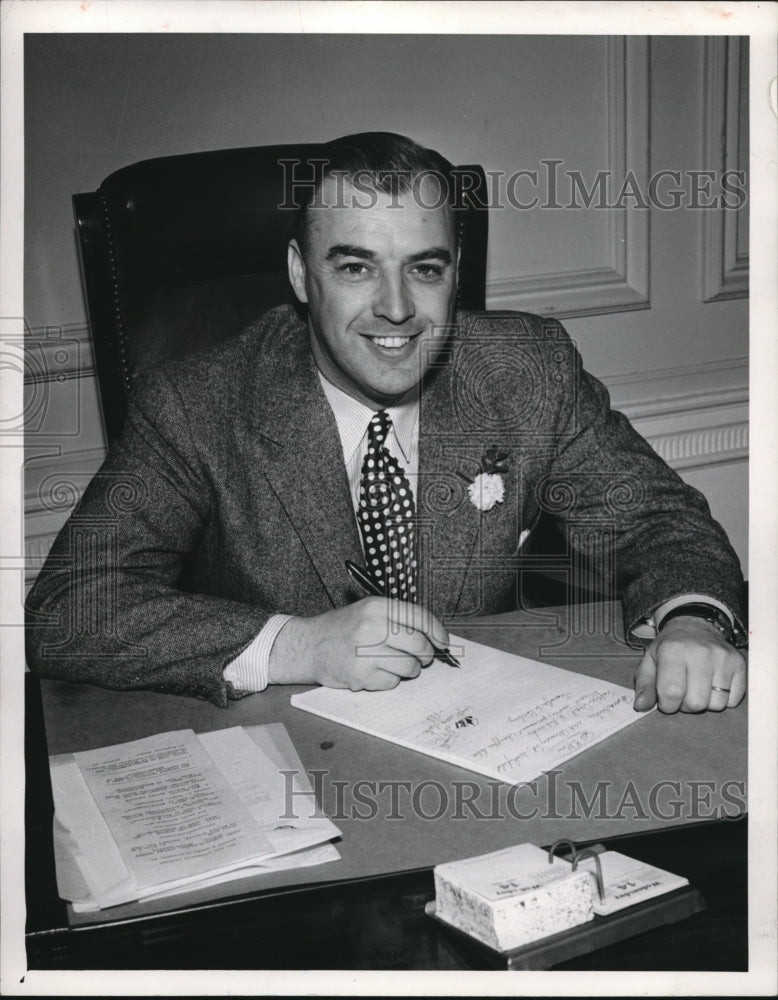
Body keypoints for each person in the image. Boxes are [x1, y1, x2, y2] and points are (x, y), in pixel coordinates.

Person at [25, 132, 747, 713]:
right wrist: (297, 646)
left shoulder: (527, 369)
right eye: (357, 268)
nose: (397, 308)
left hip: (485, 735)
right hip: (286, 749)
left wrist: (691, 618)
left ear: (455, 272)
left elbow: (662, 521)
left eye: (424, 269)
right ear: (302, 274)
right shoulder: (196, 403)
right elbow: (67, 608)